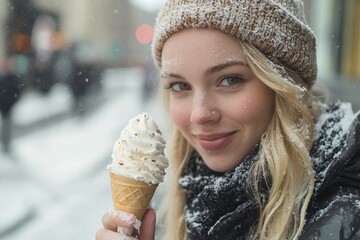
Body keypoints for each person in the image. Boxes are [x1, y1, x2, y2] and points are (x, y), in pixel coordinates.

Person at [96, 0, 360, 239]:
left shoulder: (346, 217)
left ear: (283, 83)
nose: (200, 114)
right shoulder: (175, 206)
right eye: (179, 85)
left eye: (230, 80)